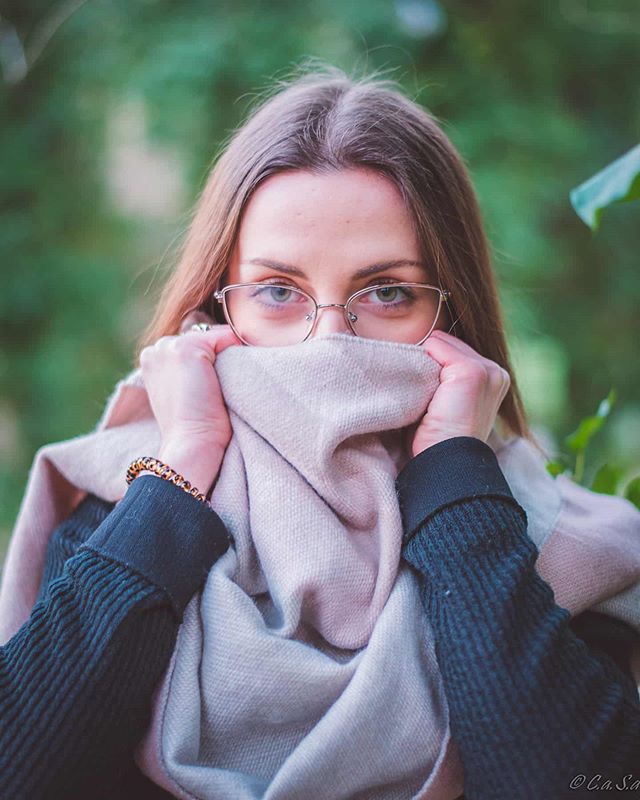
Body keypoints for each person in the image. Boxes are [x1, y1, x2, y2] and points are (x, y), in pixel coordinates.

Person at [1, 65, 639, 800]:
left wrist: (457, 477)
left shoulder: (557, 544)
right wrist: (180, 470)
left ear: (453, 318)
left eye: (387, 292)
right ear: (216, 314)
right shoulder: (119, 510)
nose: (328, 347)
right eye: (278, 292)